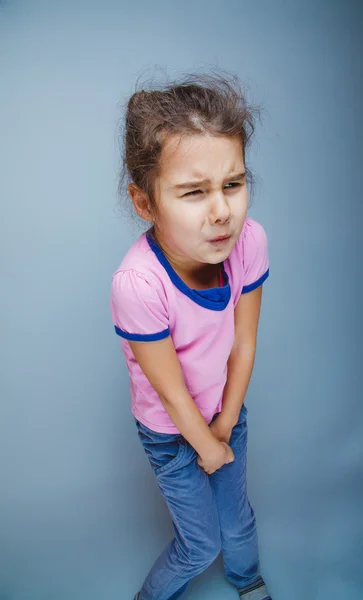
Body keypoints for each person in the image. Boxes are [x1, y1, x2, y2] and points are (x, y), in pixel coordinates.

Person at [110, 70, 272, 600]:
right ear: (145, 202)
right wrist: (206, 446)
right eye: (193, 192)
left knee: (239, 523)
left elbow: (244, 343)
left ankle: (248, 582)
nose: (222, 210)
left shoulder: (249, 242)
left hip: (225, 408)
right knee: (199, 544)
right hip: (171, 432)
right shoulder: (138, 284)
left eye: (233, 183)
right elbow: (171, 390)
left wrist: (226, 423)